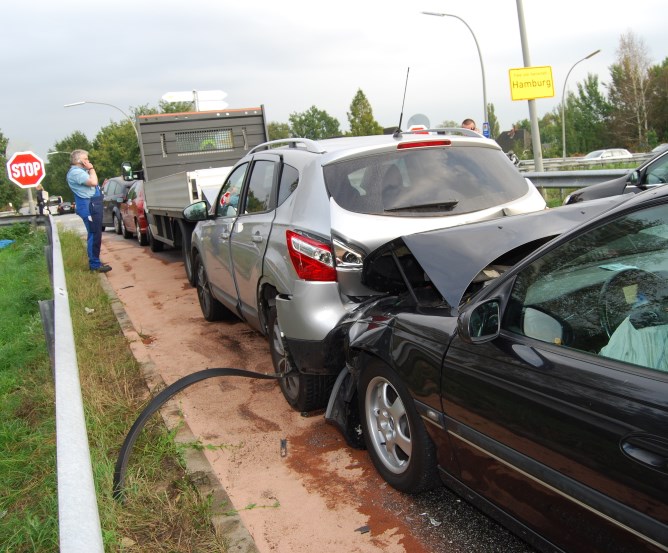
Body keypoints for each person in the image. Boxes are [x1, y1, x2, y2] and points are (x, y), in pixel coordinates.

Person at [66, 149, 111, 273]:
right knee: (94, 234)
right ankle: (95, 265)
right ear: (79, 160)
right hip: (88, 206)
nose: (88, 161)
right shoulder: (76, 172)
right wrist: (91, 169)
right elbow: (93, 182)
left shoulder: (80, 172)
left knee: (95, 234)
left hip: (91, 204)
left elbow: (92, 186)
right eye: (86, 159)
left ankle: (95, 261)